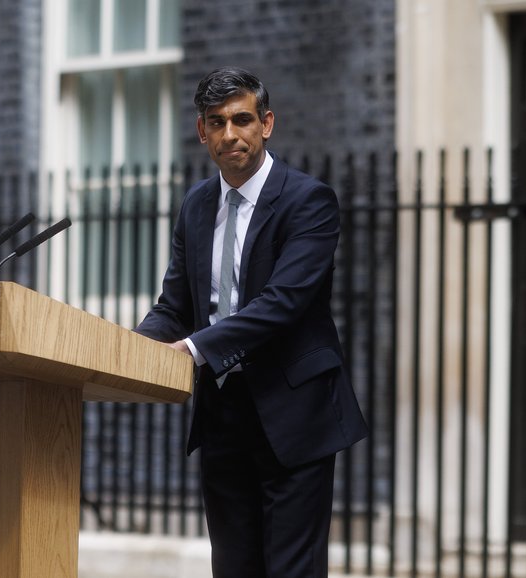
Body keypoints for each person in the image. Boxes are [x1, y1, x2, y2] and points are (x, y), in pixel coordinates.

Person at [135, 67, 368, 577]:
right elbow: (174, 306)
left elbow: (281, 303)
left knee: (290, 570)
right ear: (201, 132)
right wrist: (130, 349)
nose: (230, 134)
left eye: (241, 120)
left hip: (294, 414)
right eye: (216, 122)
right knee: (233, 567)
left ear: (266, 124)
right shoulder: (197, 205)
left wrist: (192, 349)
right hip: (222, 413)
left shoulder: (308, 200)